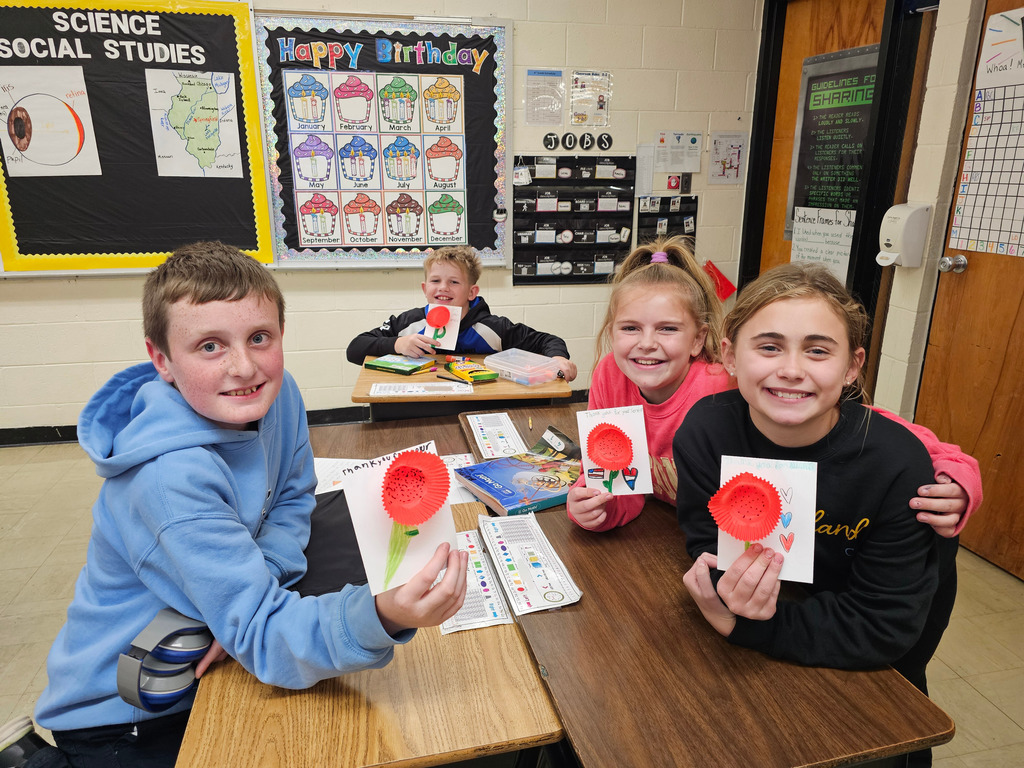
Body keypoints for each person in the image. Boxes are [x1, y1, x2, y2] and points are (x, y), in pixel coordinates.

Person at [1, 242, 467, 768]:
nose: (244, 367)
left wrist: (252, 589)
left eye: (259, 338)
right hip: (130, 707)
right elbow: (265, 637)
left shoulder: (278, 393)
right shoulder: (168, 480)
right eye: (209, 346)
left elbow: (292, 494)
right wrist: (381, 615)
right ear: (162, 360)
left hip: (211, 642)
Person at [676, 262, 957, 710]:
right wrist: (729, 591)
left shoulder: (896, 464)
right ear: (729, 356)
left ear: (852, 366)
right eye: (769, 347)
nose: (791, 369)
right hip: (776, 622)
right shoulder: (705, 433)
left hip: (870, 657)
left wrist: (744, 625)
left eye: (818, 351)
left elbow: (882, 626)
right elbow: (707, 542)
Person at [567, 237, 981, 536]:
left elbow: (870, 428)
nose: (646, 343)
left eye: (668, 329)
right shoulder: (609, 375)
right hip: (688, 537)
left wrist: (957, 474)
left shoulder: (728, 383)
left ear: (698, 340)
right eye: (630, 328)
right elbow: (618, 483)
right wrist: (597, 509)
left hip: (771, 544)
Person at [345, 245, 578, 381]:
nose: (443, 288)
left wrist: (558, 358)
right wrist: (397, 344)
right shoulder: (409, 323)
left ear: (471, 292)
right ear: (425, 289)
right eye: (435, 281)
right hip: (421, 403)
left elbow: (548, 341)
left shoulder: (493, 327)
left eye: (454, 282)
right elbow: (355, 348)